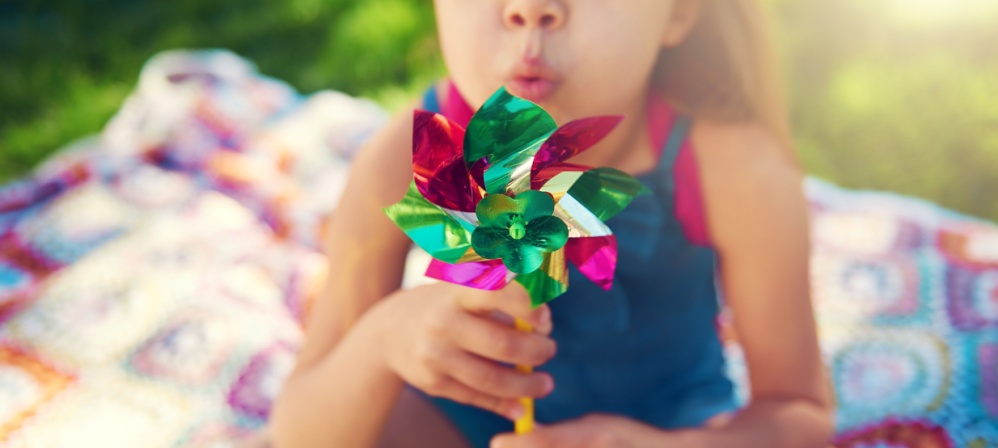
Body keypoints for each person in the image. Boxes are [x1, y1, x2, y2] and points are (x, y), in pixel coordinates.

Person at [271, 0, 834, 447]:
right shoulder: (404, 158)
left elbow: (802, 411)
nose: (531, 8)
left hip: (670, 423)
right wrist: (382, 339)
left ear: (679, 11)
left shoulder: (736, 170)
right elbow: (298, 433)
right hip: (463, 415)